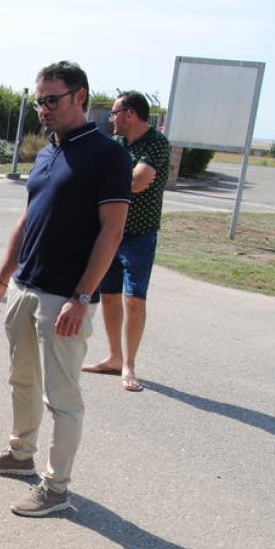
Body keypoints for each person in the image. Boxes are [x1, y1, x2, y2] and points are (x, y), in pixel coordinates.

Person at [0, 61, 131, 517]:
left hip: (66, 297)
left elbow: (112, 231)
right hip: (26, 288)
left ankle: (56, 488)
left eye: (52, 100)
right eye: (39, 101)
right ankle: (20, 454)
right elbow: (27, 220)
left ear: (80, 97)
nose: (43, 109)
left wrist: (83, 297)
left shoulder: (107, 155)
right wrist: (2, 279)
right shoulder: (47, 153)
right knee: (21, 378)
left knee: (62, 397)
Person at [81, 91, 171, 393]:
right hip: (109, 231)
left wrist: (104, 182)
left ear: (129, 114)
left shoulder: (156, 144)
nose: (111, 118)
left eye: (115, 112)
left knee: (134, 299)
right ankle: (114, 357)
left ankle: (130, 364)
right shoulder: (117, 144)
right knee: (108, 295)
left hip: (139, 235)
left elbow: (138, 182)